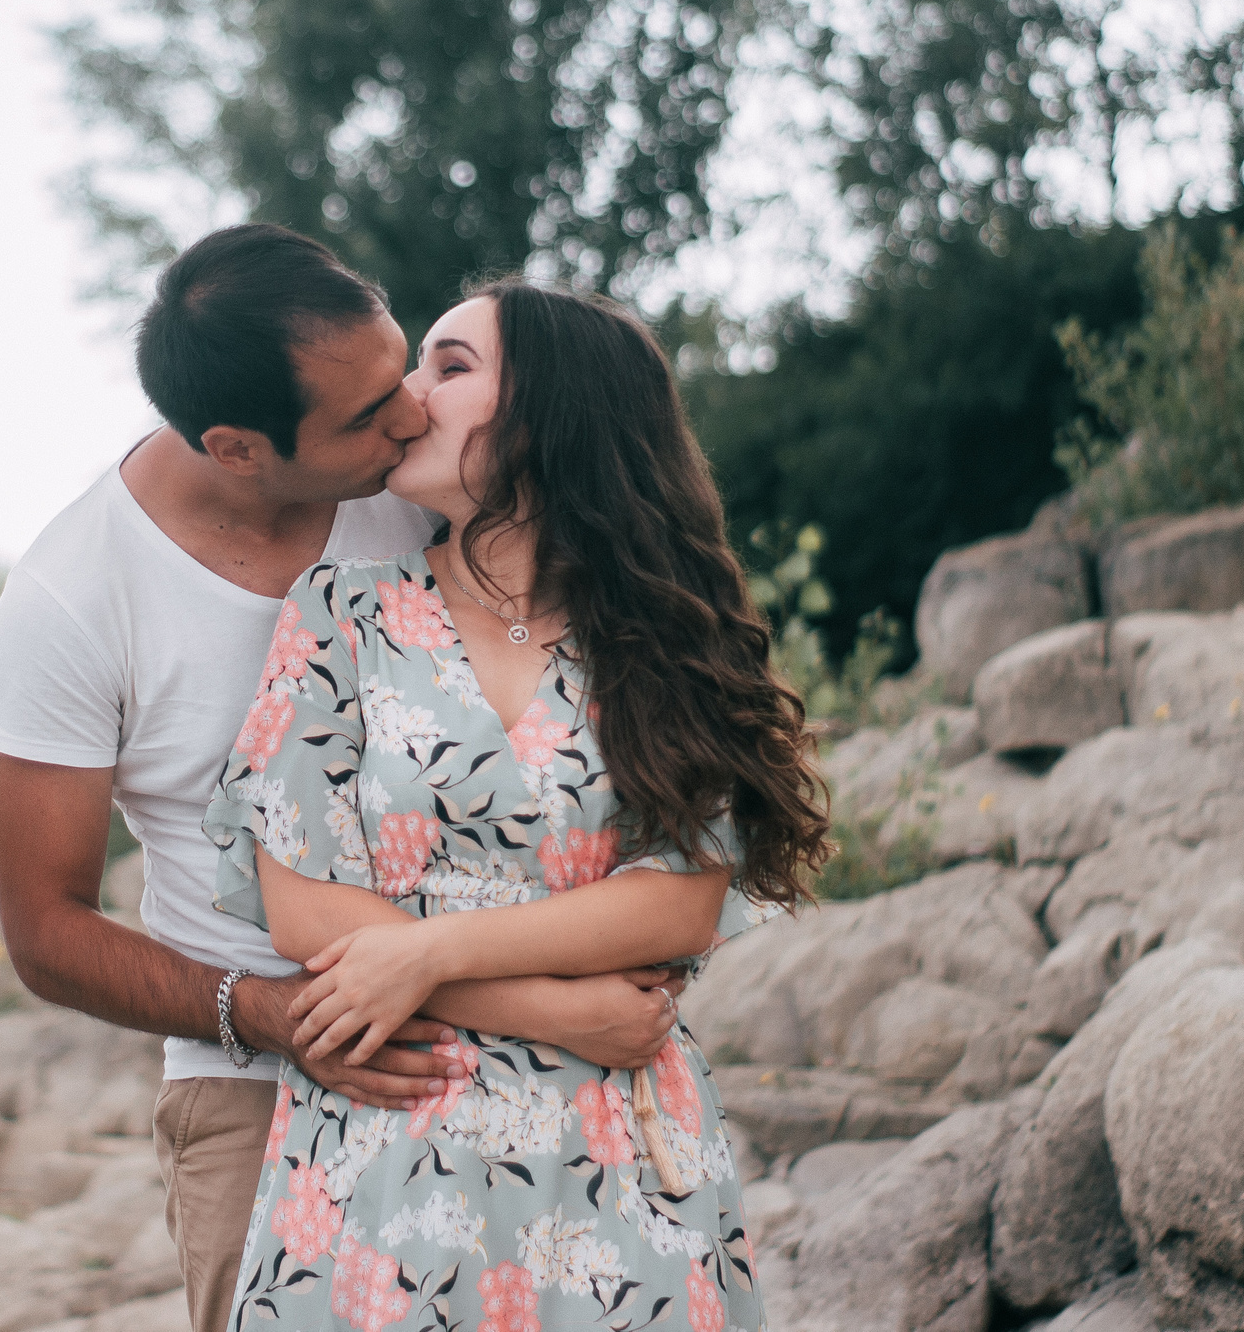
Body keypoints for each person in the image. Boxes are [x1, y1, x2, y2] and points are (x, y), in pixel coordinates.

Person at [0, 226, 695, 1332]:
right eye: (366, 416)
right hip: (261, 1078)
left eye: (406, 370)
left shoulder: (420, 482)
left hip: (547, 1057)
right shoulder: (73, 601)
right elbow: (43, 928)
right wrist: (266, 1013)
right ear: (237, 449)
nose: (408, 412)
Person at [203, 278, 831, 1331]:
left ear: (550, 414)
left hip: (614, 1155)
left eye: (451, 367)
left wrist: (426, 954)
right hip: (389, 1143)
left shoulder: (665, 637)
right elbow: (303, 909)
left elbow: (677, 903)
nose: (407, 395)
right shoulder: (338, 614)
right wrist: (553, 1008)